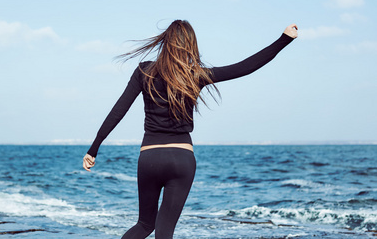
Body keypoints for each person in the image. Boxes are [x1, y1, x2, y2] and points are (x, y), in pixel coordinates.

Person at [83, 20, 298, 238]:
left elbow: (118, 110)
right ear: (190, 45)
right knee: (165, 231)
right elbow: (245, 67)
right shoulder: (195, 75)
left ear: (165, 42)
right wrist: (284, 39)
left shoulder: (144, 72)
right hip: (181, 158)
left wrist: (94, 149)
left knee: (145, 225)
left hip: (149, 157)